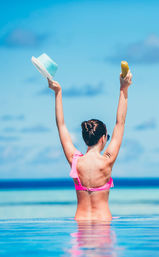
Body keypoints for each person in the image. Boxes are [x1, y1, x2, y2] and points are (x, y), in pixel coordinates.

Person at [47, 70, 133, 221]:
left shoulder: (75, 161)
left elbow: (61, 125)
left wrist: (58, 92)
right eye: (107, 137)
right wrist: (123, 89)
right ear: (102, 139)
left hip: (80, 223)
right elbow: (120, 123)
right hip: (104, 223)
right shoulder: (107, 160)